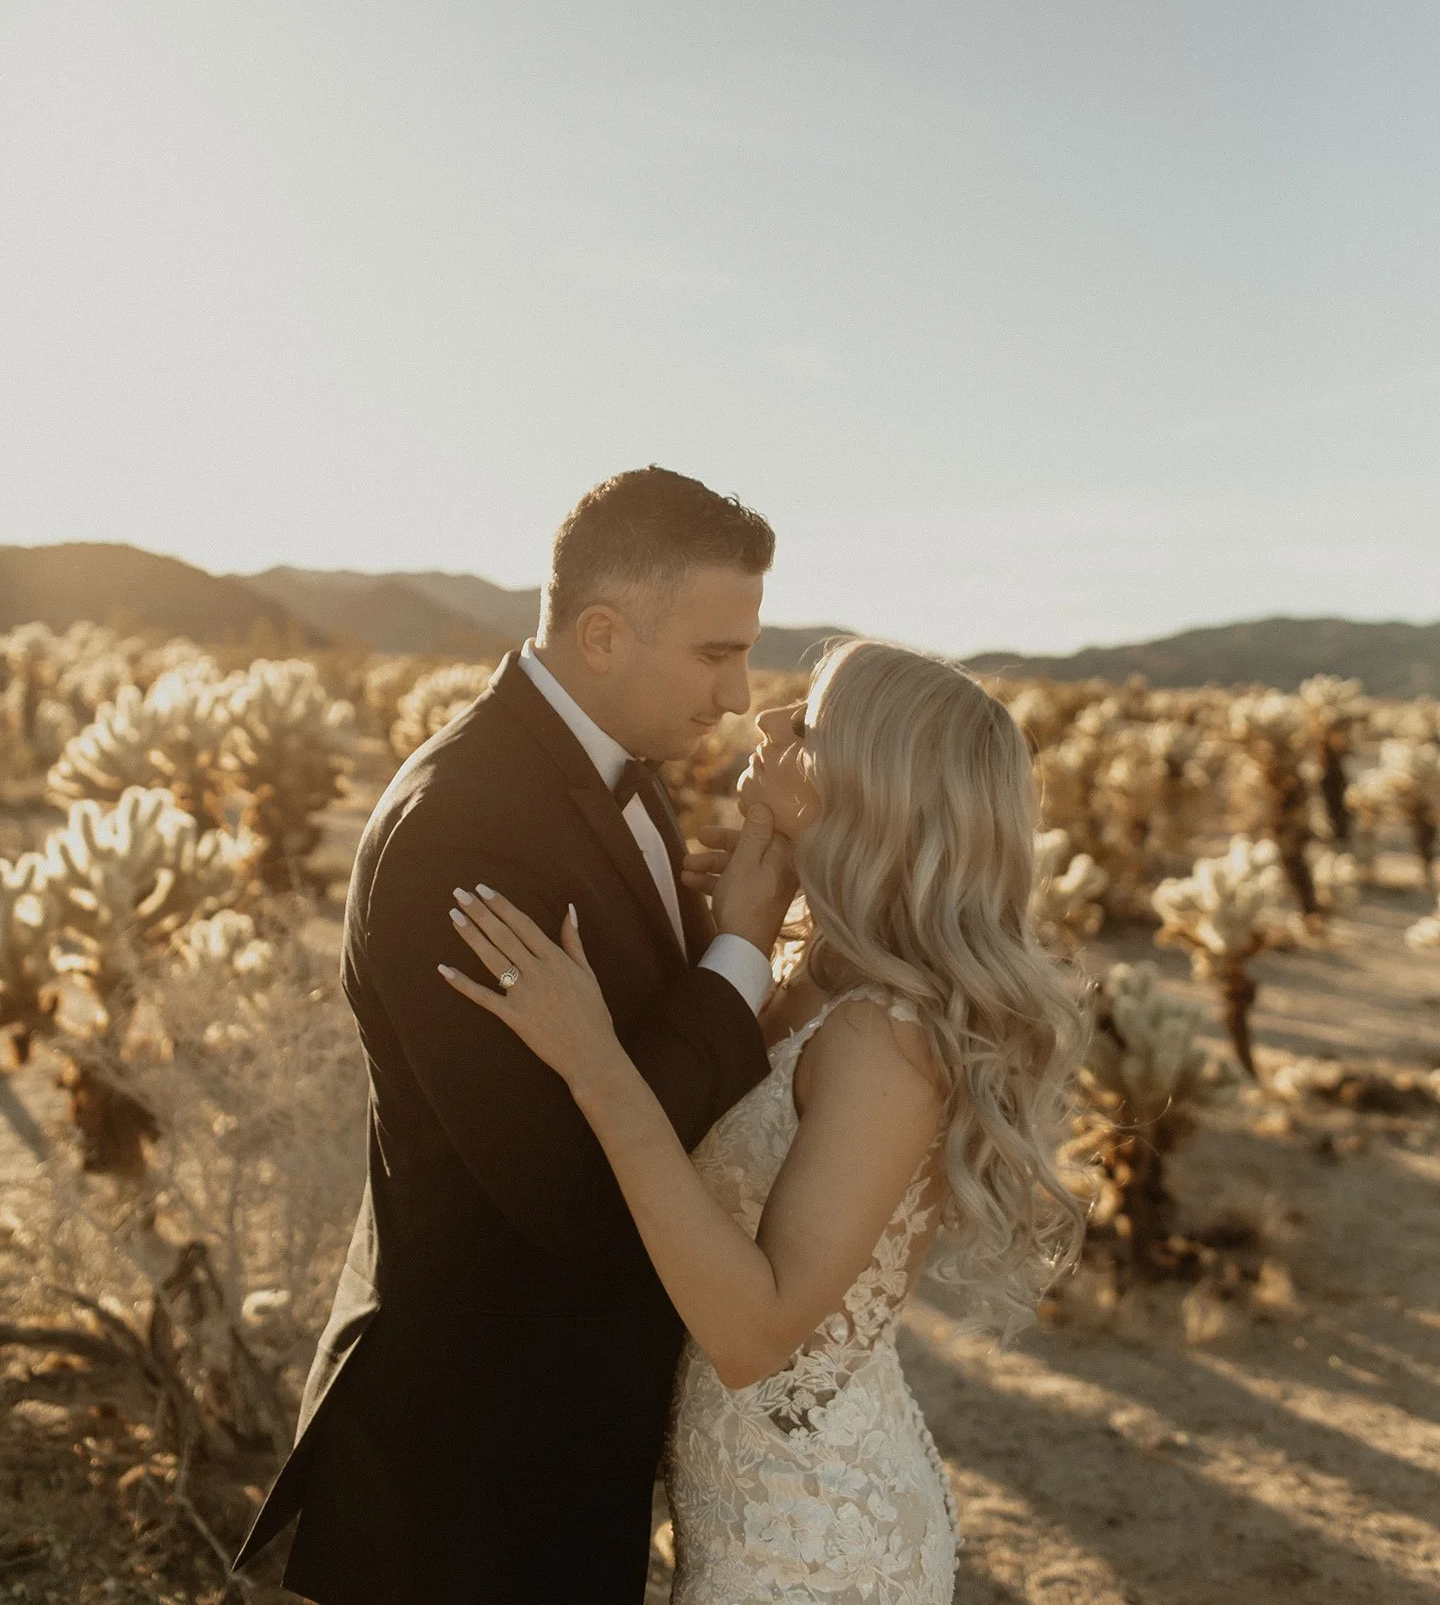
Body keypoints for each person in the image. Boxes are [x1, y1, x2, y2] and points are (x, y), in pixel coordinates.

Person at [235, 467, 798, 1604]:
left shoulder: (613, 777)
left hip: (563, 1431)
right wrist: (737, 950)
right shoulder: (464, 831)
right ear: (601, 634)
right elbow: (569, 1187)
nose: (739, 696)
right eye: (713, 654)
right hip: (469, 1463)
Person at [442, 636, 1089, 1604]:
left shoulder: (887, 1042)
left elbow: (754, 1333)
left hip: (816, 1534)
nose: (772, 720)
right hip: (745, 1503)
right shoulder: (813, 969)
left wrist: (597, 1067)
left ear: (872, 786)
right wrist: (732, 939)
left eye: (813, 723)